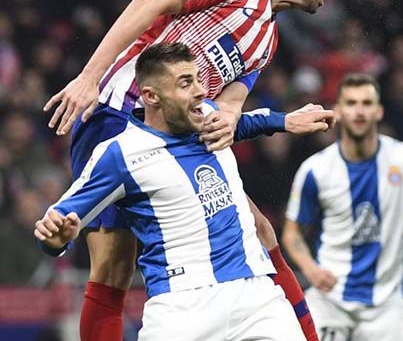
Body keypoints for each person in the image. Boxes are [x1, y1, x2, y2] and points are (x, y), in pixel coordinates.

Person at [42, 0, 347, 341]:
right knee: (114, 266)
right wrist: (89, 77)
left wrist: (272, 121)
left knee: (258, 230)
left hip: (180, 136)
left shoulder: (267, 40)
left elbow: (225, 110)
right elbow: (147, 3)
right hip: (119, 113)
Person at [35, 42, 323, 340]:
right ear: (151, 96)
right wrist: (56, 241)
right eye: (186, 83)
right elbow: (60, 216)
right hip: (182, 307)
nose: (200, 90)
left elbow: (242, 123)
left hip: (255, 296)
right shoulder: (120, 155)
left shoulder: (208, 116)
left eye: (198, 79)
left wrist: (284, 121)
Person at [282, 73, 403, 341]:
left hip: (385, 307)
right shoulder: (316, 170)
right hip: (330, 301)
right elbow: (291, 232)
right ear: (339, 111)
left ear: (379, 111)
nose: (359, 110)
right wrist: (310, 269)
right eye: (351, 102)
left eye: (367, 103)